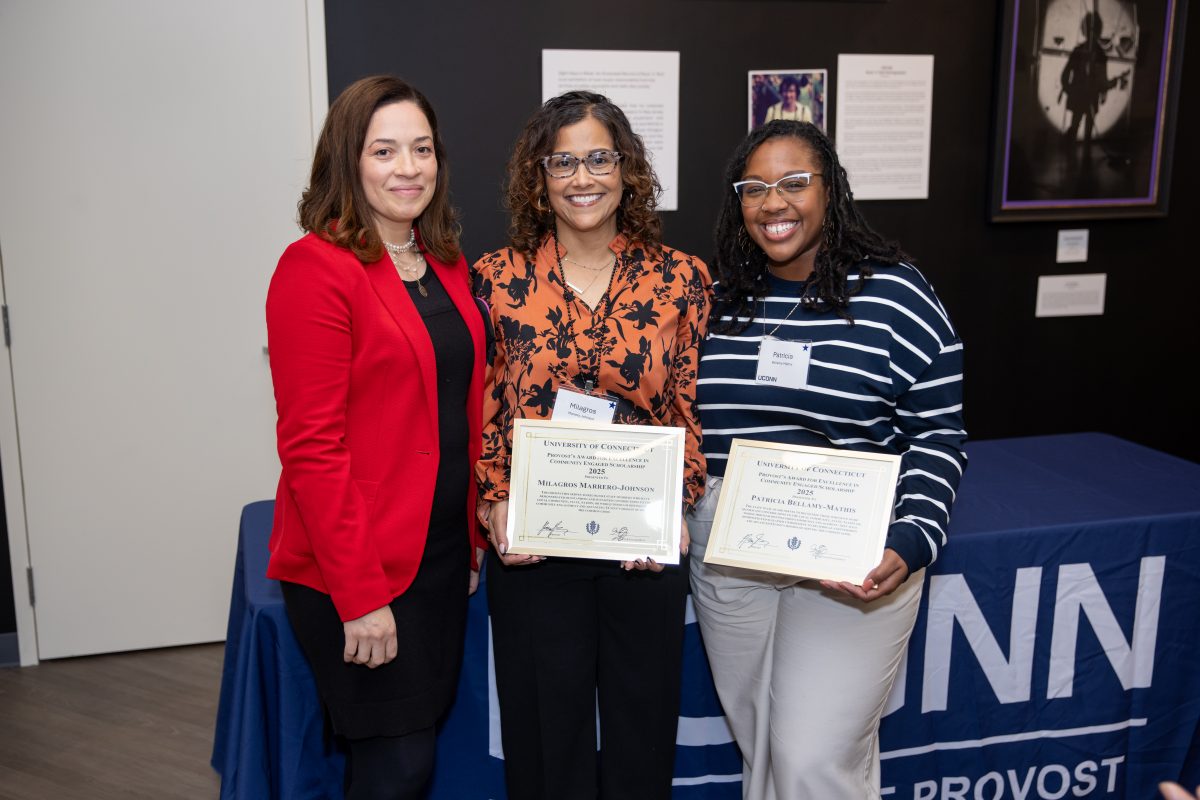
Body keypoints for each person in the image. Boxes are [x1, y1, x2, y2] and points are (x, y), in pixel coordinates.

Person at [687, 120, 966, 799]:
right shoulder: (717, 300)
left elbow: (937, 435)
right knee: (762, 749)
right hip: (731, 551)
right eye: (754, 188)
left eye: (793, 183)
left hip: (849, 557)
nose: (772, 203)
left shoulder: (897, 296)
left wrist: (911, 539)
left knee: (812, 756)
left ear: (831, 190)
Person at [472, 90, 711, 799]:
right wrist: (494, 506)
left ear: (626, 168)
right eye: (563, 162)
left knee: (641, 744)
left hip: (640, 544)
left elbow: (692, 410)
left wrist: (679, 503)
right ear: (538, 178)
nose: (583, 178)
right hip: (536, 547)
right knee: (547, 751)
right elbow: (482, 415)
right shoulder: (494, 280)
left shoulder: (681, 279)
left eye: (599, 158)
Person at [265, 75, 486, 800]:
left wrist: (472, 540)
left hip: (440, 557)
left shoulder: (445, 263)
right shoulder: (314, 270)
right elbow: (311, 449)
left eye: (421, 149)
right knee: (396, 766)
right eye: (384, 150)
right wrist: (358, 596)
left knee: (410, 752)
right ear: (348, 161)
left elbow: (459, 410)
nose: (408, 167)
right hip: (361, 569)